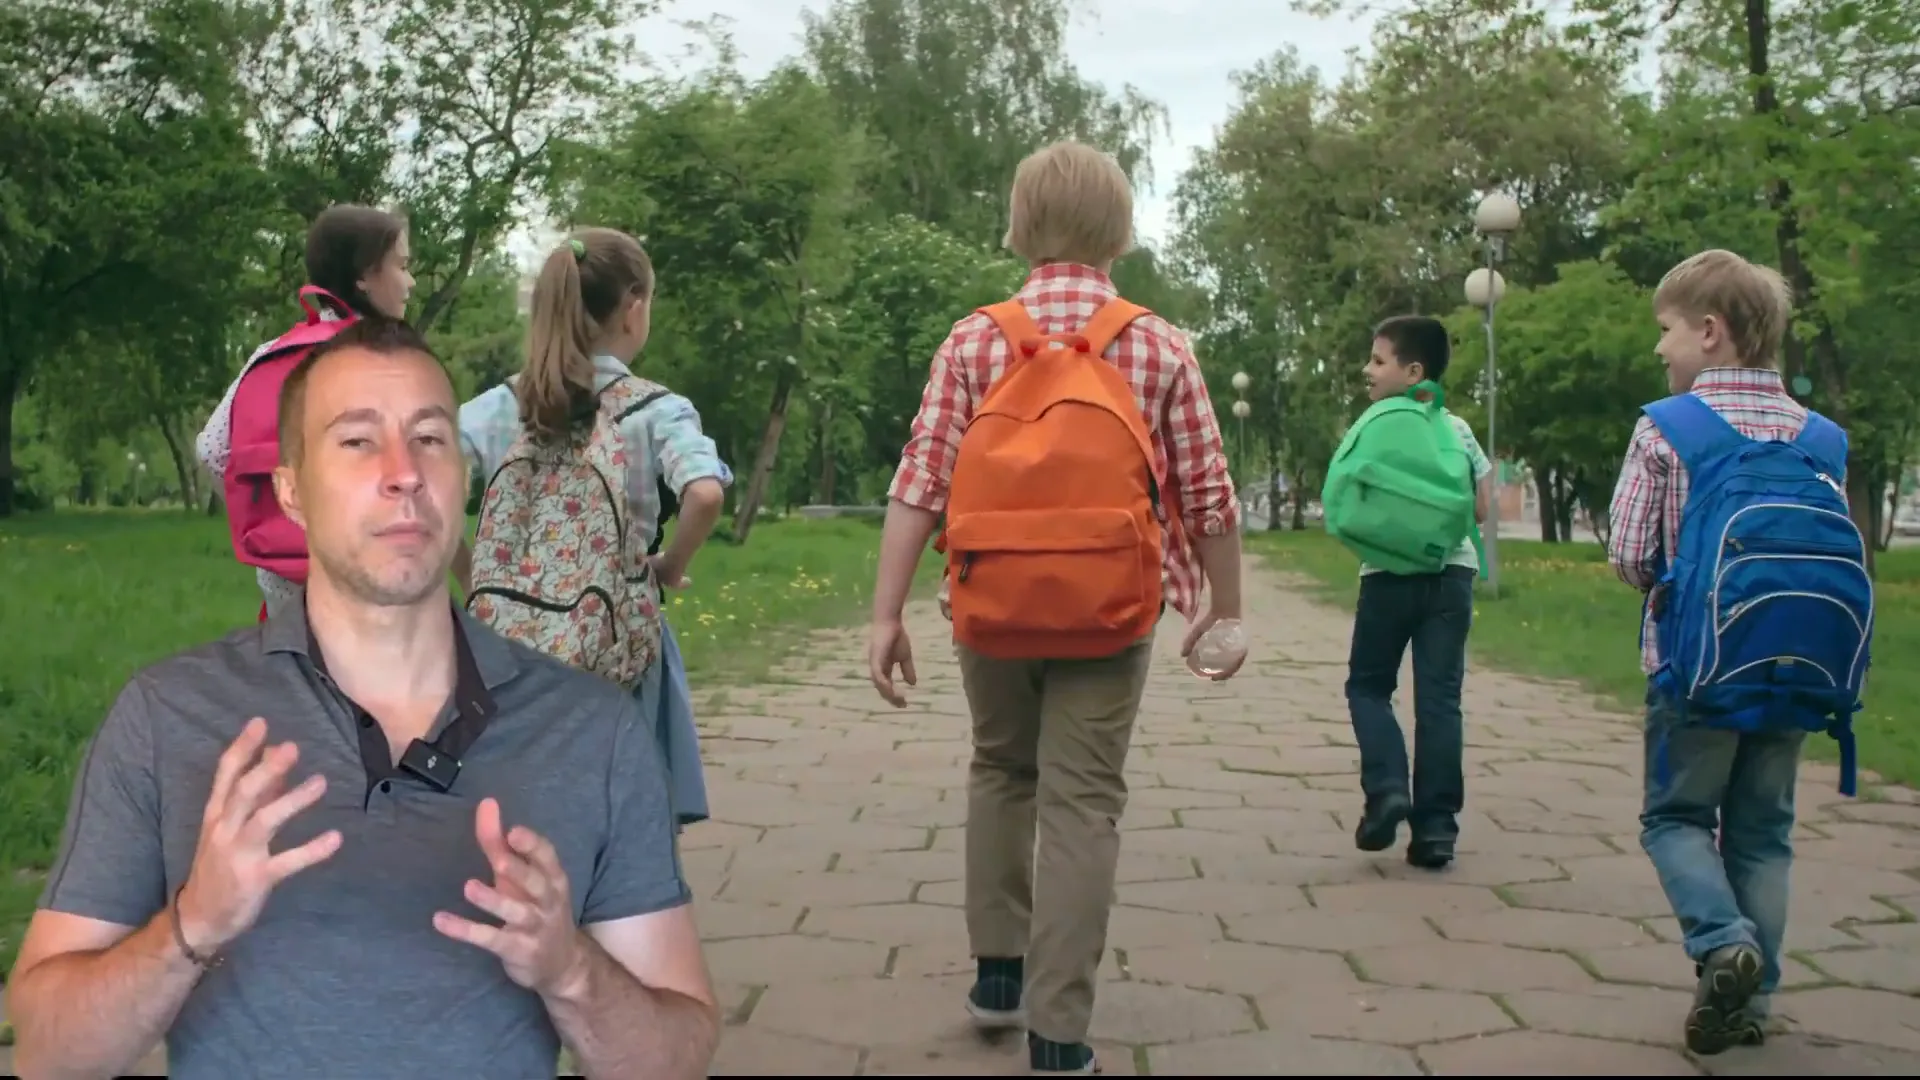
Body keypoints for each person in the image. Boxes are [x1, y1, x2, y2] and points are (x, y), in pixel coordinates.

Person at [7, 318, 720, 1080]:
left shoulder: (593, 733)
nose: (403, 471)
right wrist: (192, 927)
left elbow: (677, 1055)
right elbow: (49, 1053)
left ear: (463, 476)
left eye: (430, 439)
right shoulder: (167, 717)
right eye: (356, 440)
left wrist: (572, 972)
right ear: (291, 489)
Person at [865, 139, 1243, 1076]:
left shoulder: (974, 338)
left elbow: (920, 482)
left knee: (1001, 765)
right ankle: (1060, 1031)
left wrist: (886, 614)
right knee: (1083, 802)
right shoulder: (1157, 342)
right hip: (1112, 609)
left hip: (990, 603)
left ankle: (998, 971)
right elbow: (1209, 497)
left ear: (1019, 224)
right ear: (1119, 229)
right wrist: (1224, 609)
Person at [1607, 248, 1866, 1055]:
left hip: (1696, 670)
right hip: (1799, 670)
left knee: (1676, 817)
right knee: (1763, 833)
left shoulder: (1669, 425)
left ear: (1710, 332)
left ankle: (1723, 943)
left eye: (1668, 331)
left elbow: (1629, 556)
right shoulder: (1822, 438)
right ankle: (1752, 1009)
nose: (1660, 350)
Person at [455, 228, 726, 830]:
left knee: (527, 817)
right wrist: (671, 565)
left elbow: (426, 485)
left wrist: (476, 576)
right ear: (634, 308)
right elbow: (704, 493)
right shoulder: (655, 409)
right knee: (626, 823)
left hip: (512, 649)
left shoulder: (501, 405)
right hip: (615, 645)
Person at [195, 204, 415, 619]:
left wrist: (274, 516)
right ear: (365, 277)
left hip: (284, 600)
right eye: (401, 266)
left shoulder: (272, 353)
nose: (410, 283)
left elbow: (211, 450)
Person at [1342, 316, 1492, 870]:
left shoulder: (1374, 426)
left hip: (1385, 576)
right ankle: (1436, 831)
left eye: (1378, 361)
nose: (1369, 371)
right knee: (1439, 702)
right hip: (1451, 576)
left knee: (1368, 687)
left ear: (1413, 371)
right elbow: (1479, 509)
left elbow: (1351, 501)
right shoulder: (1458, 429)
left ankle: (1386, 791)